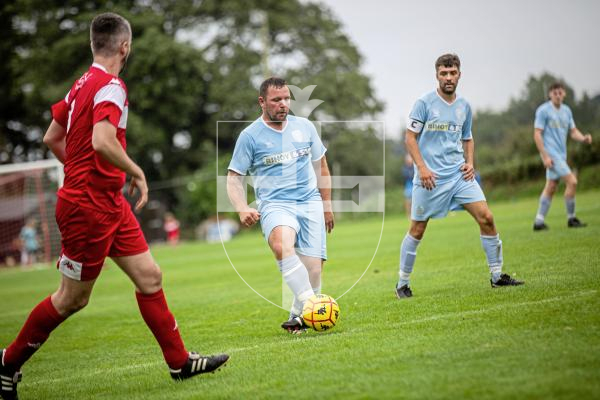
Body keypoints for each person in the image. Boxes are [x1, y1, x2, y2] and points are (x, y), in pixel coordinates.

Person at [0, 13, 228, 400]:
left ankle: (178, 361)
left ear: (94, 44)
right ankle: (8, 362)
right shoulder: (111, 86)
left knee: (150, 276)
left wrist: (87, 173)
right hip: (87, 209)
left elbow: (51, 136)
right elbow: (102, 141)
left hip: (108, 201)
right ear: (125, 46)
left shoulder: (81, 83)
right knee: (72, 298)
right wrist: (136, 171)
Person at [395, 53, 524, 299]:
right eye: (444, 73)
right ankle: (402, 283)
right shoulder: (424, 103)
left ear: (459, 74)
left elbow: (468, 137)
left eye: (452, 73)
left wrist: (470, 163)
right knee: (417, 229)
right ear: (437, 75)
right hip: (429, 180)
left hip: (459, 177)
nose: (448, 77)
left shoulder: (464, 106)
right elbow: (409, 138)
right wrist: (421, 168)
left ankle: (497, 276)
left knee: (486, 217)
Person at [226, 77, 334, 333]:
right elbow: (233, 178)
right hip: (276, 205)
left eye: (287, 98)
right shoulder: (249, 136)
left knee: (314, 272)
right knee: (280, 245)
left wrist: (327, 205)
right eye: (277, 100)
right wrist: (242, 207)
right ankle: (312, 305)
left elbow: (322, 167)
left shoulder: (305, 127)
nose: (284, 104)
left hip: (310, 202)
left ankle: (298, 317)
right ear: (262, 102)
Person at [532, 82, 593, 231]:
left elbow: (573, 131)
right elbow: (537, 134)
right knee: (572, 181)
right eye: (555, 93)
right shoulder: (543, 110)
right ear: (550, 95)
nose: (558, 95)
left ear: (564, 94)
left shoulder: (567, 111)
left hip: (561, 155)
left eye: (560, 92)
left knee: (551, 186)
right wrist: (545, 156)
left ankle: (538, 222)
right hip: (551, 155)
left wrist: (583, 138)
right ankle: (571, 218)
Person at [402, 154, 414, 218]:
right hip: (408, 186)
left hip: (414, 185)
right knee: (408, 201)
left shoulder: (414, 167)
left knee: (415, 201)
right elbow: (406, 176)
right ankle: (408, 215)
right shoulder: (405, 168)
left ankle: (415, 214)